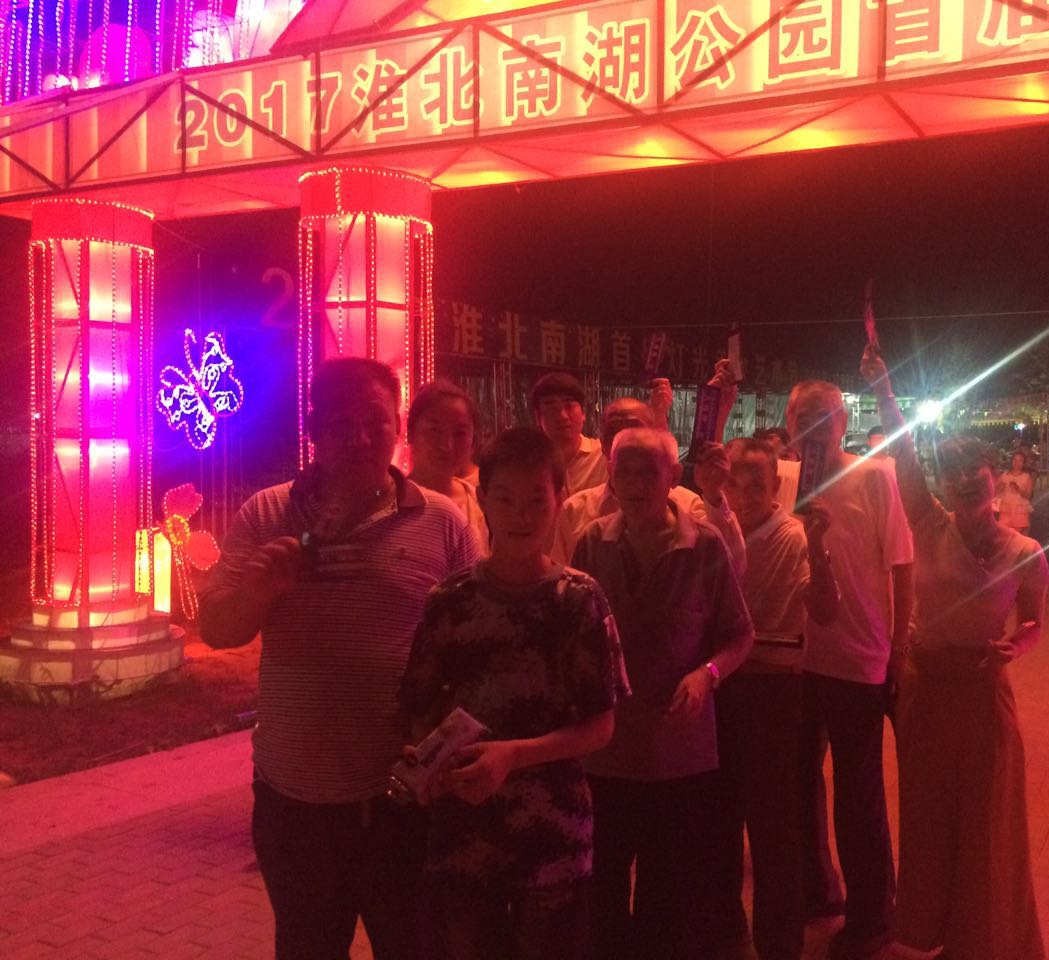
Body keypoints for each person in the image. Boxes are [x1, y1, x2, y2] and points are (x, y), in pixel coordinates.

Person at [200, 357, 479, 960]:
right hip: (294, 804)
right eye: (339, 424)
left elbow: (477, 651)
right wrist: (258, 589)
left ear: (398, 426)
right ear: (313, 431)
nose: (359, 438)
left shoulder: (442, 522)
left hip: (402, 802)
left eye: (375, 422)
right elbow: (217, 629)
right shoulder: (266, 514)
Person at [397, 427, 629, 960]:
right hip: (465, 835)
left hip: (554, 838)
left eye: (535, 501)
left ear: (559, 500)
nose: (520, 515)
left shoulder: (580, 600)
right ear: (483, 499)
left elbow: (601, 725)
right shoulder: (450, 601)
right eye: (505, 499)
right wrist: (428, 761)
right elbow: (418, 706)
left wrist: (514, 756)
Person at [862, 344, 1049, 960]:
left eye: (976, 473)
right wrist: (884, 389)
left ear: (993, 479)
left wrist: (1014, 645)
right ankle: (922, 934)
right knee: (926, 816)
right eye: (953, 474)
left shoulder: (1025, 552)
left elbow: (1035, 624)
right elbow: (902, 449)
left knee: (985, 822)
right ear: (942, 483)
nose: (966, 482)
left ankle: (984, 938)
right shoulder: (927, 522)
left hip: (983, 697)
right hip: (926, 692)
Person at [571, 427, 754, 960]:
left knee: (668, 895)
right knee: (601, 885)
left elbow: (739, 635)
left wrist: (706, 675)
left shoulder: (706, 545)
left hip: (679, 758)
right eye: (623, 471)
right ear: (610, 476)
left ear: (673, 477)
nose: (634, 483)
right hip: (605, 752)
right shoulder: (591, 543)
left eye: (648, 472)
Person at [786, 380, 914, 960]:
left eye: (824, 415)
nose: (813, 427)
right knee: (798, 784)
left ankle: (872, 915)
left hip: (860, 658)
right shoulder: (786, 481)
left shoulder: (875, 476)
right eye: (802, 417)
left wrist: (898, 648)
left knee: (858, 794)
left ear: (842, 421)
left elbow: (902, 566)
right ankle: (818, 890)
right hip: (796, 658)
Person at [714, 437, 839, 960]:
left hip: (775, 691)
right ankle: (725, 934)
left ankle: (780, 945)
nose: (745, 496)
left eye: (757, 485)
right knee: (719, 821)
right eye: (736, 484)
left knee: (774, 831)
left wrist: (819, 545)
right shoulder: (714, 528)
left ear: (776, 486)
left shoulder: (793, 535)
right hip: (721, 688)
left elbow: (826, 611)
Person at [551, 396, 745, 576]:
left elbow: (733, 566)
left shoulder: (687, 505)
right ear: (602, 443)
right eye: (613, 432)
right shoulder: (577, 511)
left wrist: (713, 494)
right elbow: (564, 582)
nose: (624, 439)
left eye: (634, 430)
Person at [409, 379, 489, 553]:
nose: (447, 445)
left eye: (460, 433)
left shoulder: (482, 505)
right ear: (411, 433)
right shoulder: (389, 504)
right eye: (435, 431)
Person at [531, 372, 607, 495]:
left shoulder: (603, 455)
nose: (562, 416)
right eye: (552, 409)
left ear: (583, 413)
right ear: (538, 418)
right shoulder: (530, 462)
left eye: (569, 406)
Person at [995, 451, 1034, 533]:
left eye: (1020, 460)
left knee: (1016, 536)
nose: (1017, 463)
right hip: (1006, 510)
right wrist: (1000, 488)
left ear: (1024, 463)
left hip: (1019, 511)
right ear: (1011, 461)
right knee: (1004, 534)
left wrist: (1018, 489)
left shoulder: (1027, 477)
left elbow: (1028, 496)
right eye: (1014, 460)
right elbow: (994, 491)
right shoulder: (1004, 475)